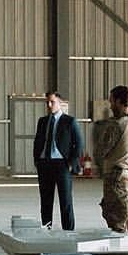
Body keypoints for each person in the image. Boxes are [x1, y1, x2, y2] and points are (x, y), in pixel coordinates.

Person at [96, 86, 128, 240]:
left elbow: (102, 150)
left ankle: (122, 251)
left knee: (116, 221)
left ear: (118, 101)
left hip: (116, 178)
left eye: (111, 101)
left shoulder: (117, 125)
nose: (110, 106)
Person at [33, 91, 83, 230]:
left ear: (60, 103)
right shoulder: (42, 121)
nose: (49, 105)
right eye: (47, 102)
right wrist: (37, 160)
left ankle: (68, 232)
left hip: (62, 164)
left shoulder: (69, 121)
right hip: (45, 163)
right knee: (45, 201)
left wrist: (71, 164)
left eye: (52, 102)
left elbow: (79, 144)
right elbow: (37, 141)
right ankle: (46, 230)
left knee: (65, 201)